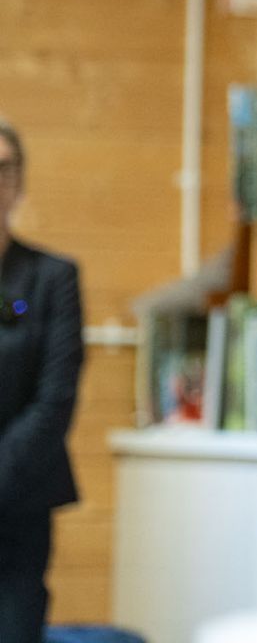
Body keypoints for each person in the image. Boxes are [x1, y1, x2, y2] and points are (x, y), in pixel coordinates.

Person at [0, 118, 85, 640]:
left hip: (19, 506)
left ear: (19, 184)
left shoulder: (52, 278)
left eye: (3, 169)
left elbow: (55, 399)